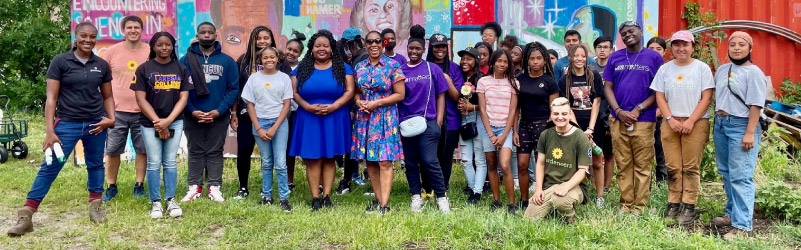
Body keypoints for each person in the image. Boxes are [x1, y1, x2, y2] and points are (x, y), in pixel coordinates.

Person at [7, 22, 115, 237]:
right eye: (83, 36)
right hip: (67, 123)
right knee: (50, 166)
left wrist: (110, 119)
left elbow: (108, 96)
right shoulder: (60, 61)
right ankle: (27, 214)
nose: (88, 40)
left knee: (95, 165)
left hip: (95, 123)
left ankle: (95, 206)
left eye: (92, 36)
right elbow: (51, 98)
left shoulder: (101, 64)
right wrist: (50, 131)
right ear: (75, 38)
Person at [650, 30, 714, 225]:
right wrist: (669, 118)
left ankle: (689, 205)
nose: (681, 48)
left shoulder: (701, 69)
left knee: (690, 167)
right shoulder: (665, 69)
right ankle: (673, 203)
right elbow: (659, 96)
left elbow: (707, 97)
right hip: (670, 122)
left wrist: (691, 121)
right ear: (672, 48)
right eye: (677, 44)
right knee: (673, 166)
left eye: (685, 44)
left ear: (692, 47)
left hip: (695, 122)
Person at [290, 30, 356, 211]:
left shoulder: (343, 68)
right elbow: (294, 92)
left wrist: (335, 106)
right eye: (317, 46)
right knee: (312, 158)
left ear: (331, 48)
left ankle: (327, 196)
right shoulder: (301, 69)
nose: (321, 49)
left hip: (335, 116)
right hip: (308, 116)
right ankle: (315, 198)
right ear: (311, 48)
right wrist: (306, 106)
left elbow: (350, 91)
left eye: (325, 46)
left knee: (329, 157)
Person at [603, 21, 663, 215]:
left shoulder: (653, 57)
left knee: (643, 165)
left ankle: (640, 206)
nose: (628, 35)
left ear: (640, 32)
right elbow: (607, 87)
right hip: (618, 119)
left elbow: (659, 89)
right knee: (623, 163)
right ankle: (626, 203)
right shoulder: (615, 58)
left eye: (631, 31)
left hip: (644, 119)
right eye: (624, 33)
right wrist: (618, 111)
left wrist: (639, 109)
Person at [131, 31, 192, 218]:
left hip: (174, 121)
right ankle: (155, 202)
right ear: (153, 47)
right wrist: (158, 122)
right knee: (154, 162)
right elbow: (140, 99)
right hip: (150, 123)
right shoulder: (143, 69)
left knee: (170, 162)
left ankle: (171, 200)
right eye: (160, 44)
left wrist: (168, 121)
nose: (164, 48)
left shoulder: (181, 69)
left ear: (173, 46)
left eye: (168, 44)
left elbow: (183, 98)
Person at [712, 31, 766, 240]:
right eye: (732, 44)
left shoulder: (754, 73)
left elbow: (756, 105)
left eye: (741, 44)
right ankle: (731, 213)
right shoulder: (723, 69)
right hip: (721, 124)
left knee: (741, 176)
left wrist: (749, 133)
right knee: (726, 172)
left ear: (750, 48)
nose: (736, 48)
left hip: (742, 125)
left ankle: (743, 225)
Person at [179, 22, 239, 203]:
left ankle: (214, 187)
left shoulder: (227, 61)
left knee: (215, 151)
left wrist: (219, 111)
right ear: (197, 36)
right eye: (203, 32)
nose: (206, 35)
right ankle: (194, 188)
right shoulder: (185, 60)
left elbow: (233, 89)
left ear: (215, 35)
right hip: (192, 114)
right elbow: (180, 89)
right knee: (195, 150)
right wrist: (192, 110)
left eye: (210, 32)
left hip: (218, 115)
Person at [352, 31, 406, 213]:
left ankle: (385, 204)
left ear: (383, 44)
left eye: (377, 41)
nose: (374, 44)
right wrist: (358, 101)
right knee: (371, 161)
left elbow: (400, 94)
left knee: (385, 161)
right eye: (370, 41)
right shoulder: (359, 66)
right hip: (365, 118)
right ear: (365, 44)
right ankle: (378, 199)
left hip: (385, 118)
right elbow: (356, 91)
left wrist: (377, 103)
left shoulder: (393, 65)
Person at [400, 25, 451, 213]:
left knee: (430, 161)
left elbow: (441, 95)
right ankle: (416, 196)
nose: (414, 52)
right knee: (411, 162)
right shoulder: (400, 70)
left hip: (428, 122)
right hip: (406, 123)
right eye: (411, 48)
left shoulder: (432, 69)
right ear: (407, 49)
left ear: (423, 50)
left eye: (418, 49)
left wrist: (438, 120)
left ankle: (441, 197)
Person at [101, 16, 149, 201]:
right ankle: (111, 186)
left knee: (142, 150)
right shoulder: (112, 52)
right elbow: (103, 80)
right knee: (113, 150)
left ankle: (139, 185)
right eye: (129, 27)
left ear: (141, 30)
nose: (133, 30)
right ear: (123, 30)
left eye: (136, 27)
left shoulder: (149, 51)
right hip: (116, 112)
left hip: (143, 111)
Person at [231, 26, 281, 200]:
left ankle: (267, 188)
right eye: (258, 38)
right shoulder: (243, 60)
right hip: (246, 115)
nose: (262, 41)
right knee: (244, 149)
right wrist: (234, 112)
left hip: (272, 115)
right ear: (252, 40)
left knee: (270, 155)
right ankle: (243, 187)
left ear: (271, 40)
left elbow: (287, 85)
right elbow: (236, 89)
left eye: (266, 38)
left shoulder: (278, 59)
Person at [242, 46, 294, 212]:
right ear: (260, 60)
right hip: (260, 123)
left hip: (279, 123)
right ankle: (267, 196)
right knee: (266, 162)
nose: (269, 60)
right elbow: (249, 104)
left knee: (280, 163)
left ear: (278, 58)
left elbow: (287, 104)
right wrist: (258, 127)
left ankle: (284, 198)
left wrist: (275, 127)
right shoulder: (253, 78)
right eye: (265, 57)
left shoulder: (284, 78)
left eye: (272, 57)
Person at [523, 97, 592, 223]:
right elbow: (540, 163)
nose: (560, 117)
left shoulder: (580, 137)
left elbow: (583, 171)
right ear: (551, 115)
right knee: (529, 218)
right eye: (556, 114)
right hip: (550, 185)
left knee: (560, 200)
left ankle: (570, 218)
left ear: (570, 114)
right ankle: (552, 206)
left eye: (564, 114)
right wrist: (538, 189)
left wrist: (566, 186)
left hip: (573, 185)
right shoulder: (546, 134)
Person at [557, 43, 605, 208]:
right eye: (576, 56)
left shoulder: (594, 76)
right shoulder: (565, 79)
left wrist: (590, 129)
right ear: (570, 57)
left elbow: (597, 102)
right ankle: (579, 193)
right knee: (576, 162)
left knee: (597, 161)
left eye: (583, 56)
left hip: (593, 124)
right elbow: (566, 105)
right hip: (574, 126)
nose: (579, 59)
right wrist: (578, 129)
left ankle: (600, 196)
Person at [514, 42, 559, 209]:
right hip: (524, 125)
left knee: (543, 165)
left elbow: (554, 111)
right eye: (532, 58)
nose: (535, 62)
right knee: (522, 164)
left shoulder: (549, 82)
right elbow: (515, 108)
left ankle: (544, 198)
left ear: (545, 60)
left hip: (543, 126)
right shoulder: (520, 79)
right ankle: (524, 200)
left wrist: (550, 132)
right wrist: (515, 130)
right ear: (527, 60)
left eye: (539, 58)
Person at [478, 49, 520, 214]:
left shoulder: (514, 83)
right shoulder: (483, 82)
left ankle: (511, 203)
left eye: (505, 62)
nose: (502, 64)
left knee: (505, 164)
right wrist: (490, 134)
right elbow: (482, 109)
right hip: (488, 128)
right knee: (492, 164)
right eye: (499, 61)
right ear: (493, 62)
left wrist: (503, 135)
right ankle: (496, 200)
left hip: (505, 128)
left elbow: (513, 110)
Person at [425, 33, 463, 195]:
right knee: (428, 157)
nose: (440, 50)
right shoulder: (424, 66)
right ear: (431, 48)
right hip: (428, 120)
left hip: (451, 120)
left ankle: (443, 188)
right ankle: (427, 188)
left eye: (442, 46)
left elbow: (457, 97)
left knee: (446, 157)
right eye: (436, 47)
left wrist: (446, 80)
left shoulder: (454, 68)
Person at [456, 47, 487, 204]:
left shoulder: (482, 79)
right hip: (463, 120)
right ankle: (471, 186)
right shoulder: (459, 77)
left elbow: (488, 104)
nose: (464, 61)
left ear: (476, 61)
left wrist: (472, 107)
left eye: (469, 59)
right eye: (463, 58)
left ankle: (477, 193)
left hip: (478, 120)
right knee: (466, 159)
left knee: (480, 158)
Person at [591, 36, 616, 193]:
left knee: (609, 154)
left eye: (606, 47)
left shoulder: (615, 68)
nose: (602, 50)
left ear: (611, 50)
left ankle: (606, 186)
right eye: (599, 47)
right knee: (593, 152)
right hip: (593, 117)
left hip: (610, 115)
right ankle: (595, 184)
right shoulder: (590, 69)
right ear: (595, 49)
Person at [284, 31, 307, 190]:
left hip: (300, 112)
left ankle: (316, 181)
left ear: (300, 53)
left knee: (306, 148)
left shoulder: (304, 69)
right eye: (289, 49)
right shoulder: (278, 66)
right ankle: (289, 180)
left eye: (295, 51)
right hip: (284, 114)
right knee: (287, 150)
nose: (291, 53)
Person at [647, 36, 669, 184]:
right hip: (644, 118)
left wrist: (659, 112)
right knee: (645, 153)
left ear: (665, 52)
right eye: (651, 48)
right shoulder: (643, 67)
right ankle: (645, 184)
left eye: (658, 49)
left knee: (662, 152)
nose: (655, 52)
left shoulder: (668, 70)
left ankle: (662, 184)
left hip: (662, 117)